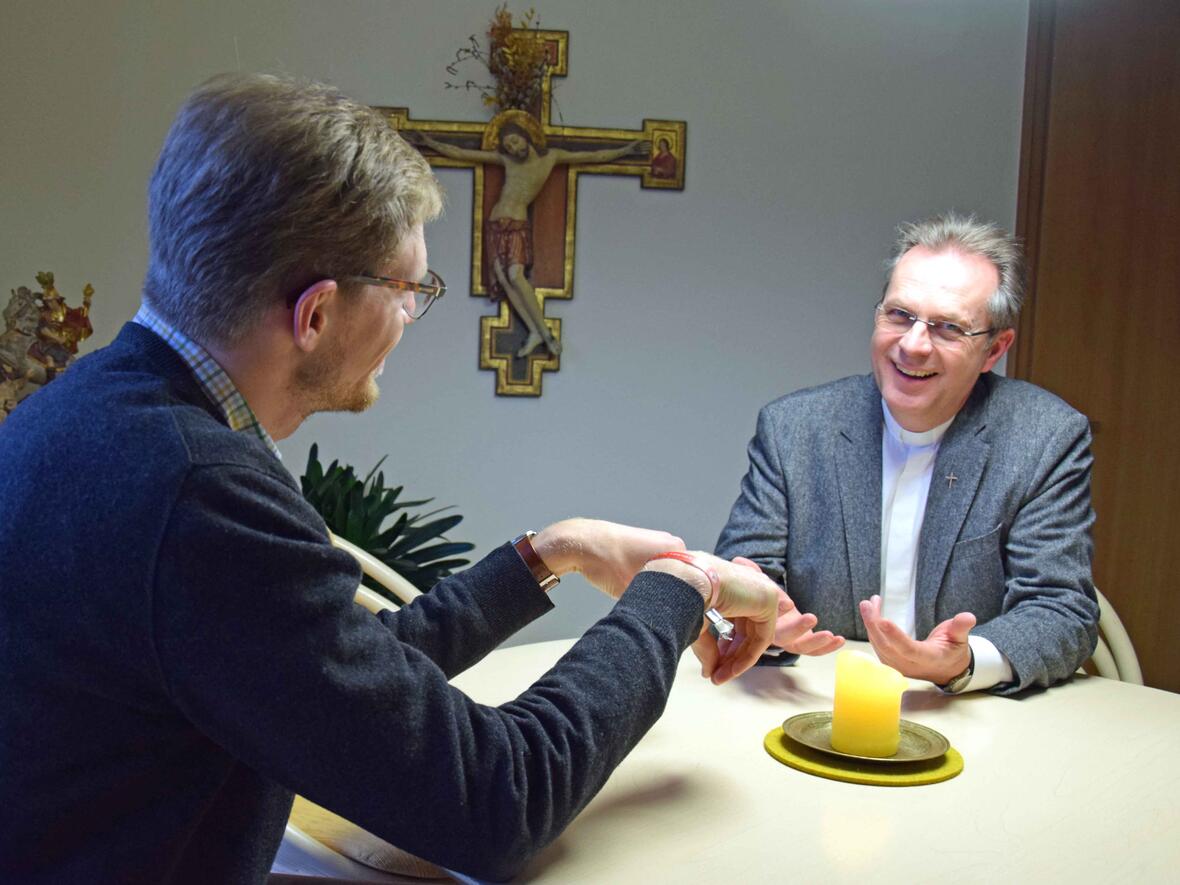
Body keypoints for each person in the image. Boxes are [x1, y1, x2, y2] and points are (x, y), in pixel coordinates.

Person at [0, 73, 781, 884]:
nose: (411, 317)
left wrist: (554, 551)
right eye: (410, 290)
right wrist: (672, 589)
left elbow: (328, 674)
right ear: (316, 314)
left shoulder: (81, 413)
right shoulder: (199, 497)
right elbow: (496, 800)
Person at [716, 213, 1099, 696]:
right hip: (812, 700)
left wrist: (964, 661)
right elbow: (736, 580)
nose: (913, 346)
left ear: (994, 350)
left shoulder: (1044, 437)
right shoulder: (795, 428)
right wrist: (756, 616)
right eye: (899, 315)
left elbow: (1063, 611)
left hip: (966, 708)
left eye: (948, 329)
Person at [413, 117, 644, 357]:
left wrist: (626, 150)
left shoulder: (551, 158)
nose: (513, 148)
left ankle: (545, 333)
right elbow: (461, 153)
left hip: (517, 224)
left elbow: (593, 156)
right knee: (503, 279)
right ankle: (534, 332)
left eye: (514, 141)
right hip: (496, 222)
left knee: (515, 275)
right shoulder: (506, 161)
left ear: (526, 136)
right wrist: (428, 142)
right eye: (508, 146)